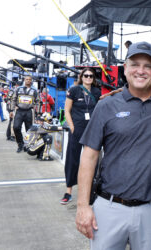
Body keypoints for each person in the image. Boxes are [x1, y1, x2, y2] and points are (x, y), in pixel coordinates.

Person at [75, 41, 151, 250]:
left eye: (148, 66)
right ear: (124, 68)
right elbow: (89, 156)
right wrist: (83, 205)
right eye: (135, 64)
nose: (141, 71)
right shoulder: (106, 105)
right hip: (109, 209)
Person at [61, 67, 101, 205]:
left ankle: (90, 191)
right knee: (72, 158)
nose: (88, 78)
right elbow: (67, 110)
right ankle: (68, 191)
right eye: (86, 75)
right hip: (77, 128)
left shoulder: (96, 91)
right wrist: (71, 126)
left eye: (91, 76)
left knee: (92, 161)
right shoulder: (74, 90)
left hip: (91, 129)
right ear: (81, 77)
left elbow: (101, 106)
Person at [10, 76, 40, 153]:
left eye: (29, 79)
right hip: (19, 111)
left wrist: (38, 112)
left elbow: (38, 102)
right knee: (16, 127)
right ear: (24, 80)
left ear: (31, 81)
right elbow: (13, 99)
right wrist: (11, 110)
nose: (28, 81)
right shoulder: (18, 89)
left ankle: (28, 145)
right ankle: (20, 144)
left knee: (29, 129)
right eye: (26, 79)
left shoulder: (34, 90)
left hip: (29, 112)